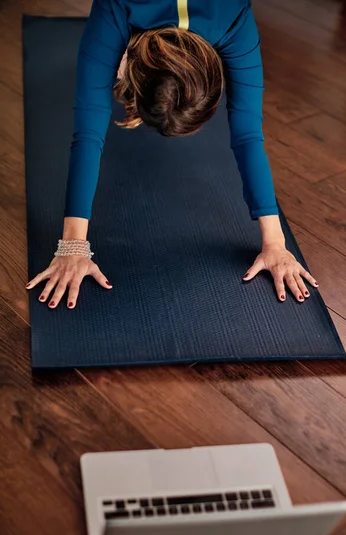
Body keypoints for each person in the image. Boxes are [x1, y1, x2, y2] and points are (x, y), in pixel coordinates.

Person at [25, 0, 319, 309]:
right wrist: (72, 246)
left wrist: (276, 243)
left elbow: (248, 136)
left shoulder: (232, 14)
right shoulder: (121, 6)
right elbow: (87, 134)